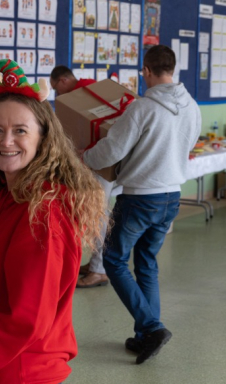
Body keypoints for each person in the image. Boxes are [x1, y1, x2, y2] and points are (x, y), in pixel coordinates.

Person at [0, 60, 106, 384]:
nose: (5, 141)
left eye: (20, 130)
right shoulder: (13, 197)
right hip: (10, 374)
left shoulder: (41, 214)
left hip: (19, 382)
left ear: (42, 138)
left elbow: (27, 320)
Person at [83, 45, 201, 364]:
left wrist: (84, 158)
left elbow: (111, 150)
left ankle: (151, 327)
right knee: (146, 262)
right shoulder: (192, 106)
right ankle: (144, 335)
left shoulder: (142, 108)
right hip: (172, 196)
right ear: (172, 70)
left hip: (140, 197)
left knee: (115, 261)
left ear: (146, 71)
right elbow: (190, 143)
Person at [50, 65, 109, 288]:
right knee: (95, 213)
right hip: (96, 162)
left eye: (57, 89)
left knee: (99, 215)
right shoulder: (93, 90)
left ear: (64, 81)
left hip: (98, 163)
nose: (57, 95)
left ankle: (98, 270)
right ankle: (95, 265)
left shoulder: (81, 98)